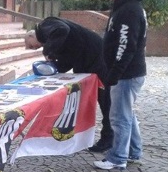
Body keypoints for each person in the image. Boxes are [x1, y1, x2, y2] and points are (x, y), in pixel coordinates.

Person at [24, 17, 113, 152]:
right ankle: (80, 137)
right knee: (85, 101)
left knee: (106, 100)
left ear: (32, 35)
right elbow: (66, 62)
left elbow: (62, 29)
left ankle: (109, 139)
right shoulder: (54, 38)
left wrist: (47, 51)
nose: (35, 48)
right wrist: (51, 68)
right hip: (87, 62)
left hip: (97, 57)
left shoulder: (46, 25)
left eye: (31, 45)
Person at [93, 0, 147, 170]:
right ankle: (133, 151)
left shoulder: (128, 10)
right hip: (130, 72)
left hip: (126, 74)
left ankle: (118, 157)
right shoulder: (131, 7)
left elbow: (126, 45)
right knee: (127, 114)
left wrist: (114, 73)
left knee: (119, 116)